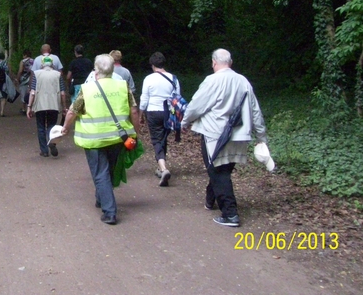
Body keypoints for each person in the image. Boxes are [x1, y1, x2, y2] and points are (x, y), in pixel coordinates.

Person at [181, 48, 268, 228]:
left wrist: (184, 121)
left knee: (218, 172)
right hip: (239, 135)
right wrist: (261, 136)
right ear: (231, 62)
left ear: (214, 62)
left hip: (215, 135)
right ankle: (210, 199)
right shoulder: (243, 81)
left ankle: (230, 214)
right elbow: (255, 110)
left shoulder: (212, 81)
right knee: (223, 170)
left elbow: (197, 105)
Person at [62, 54, 140, 225]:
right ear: (112, 69)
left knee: (100, 173)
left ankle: (110, 212)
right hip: (119, 138)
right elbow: (134, 111)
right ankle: (101, 198)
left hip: (94, 139)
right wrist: (135, 132)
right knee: (109, 170)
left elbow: (72, 111)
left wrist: (65, 128)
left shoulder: (87, 88)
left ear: (96, 70)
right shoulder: (123, 86)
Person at [139, 51, 181, 187]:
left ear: (152, 65)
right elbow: (177, 97)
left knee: (157, 139)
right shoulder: (174, 78)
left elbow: (144, 98)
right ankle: (161, 165)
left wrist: (140, 114)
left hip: (153, 111)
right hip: (168, 112)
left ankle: (163, 168)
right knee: (163, 138)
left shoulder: (149, 79)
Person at [27, 56, 67, 157]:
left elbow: (32, 92)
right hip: (53, 105)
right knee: (51, 126)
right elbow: (62, 93)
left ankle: (44, 151)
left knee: (41, 127)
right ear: (53, 65)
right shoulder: (58, 75)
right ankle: (51, 143)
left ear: (42, 64)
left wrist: (29, 106)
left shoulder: (37, 74)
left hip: (40, 105)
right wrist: (64, 107)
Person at [16, 49, 34, 114]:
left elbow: (20, 71)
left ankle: (24, 109)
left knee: (23, 93)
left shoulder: (23, 61)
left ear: (25, 55)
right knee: (31, 93)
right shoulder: (33, 61)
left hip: (24, 79)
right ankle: (31, 108)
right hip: (33, 79)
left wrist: (17, 78)